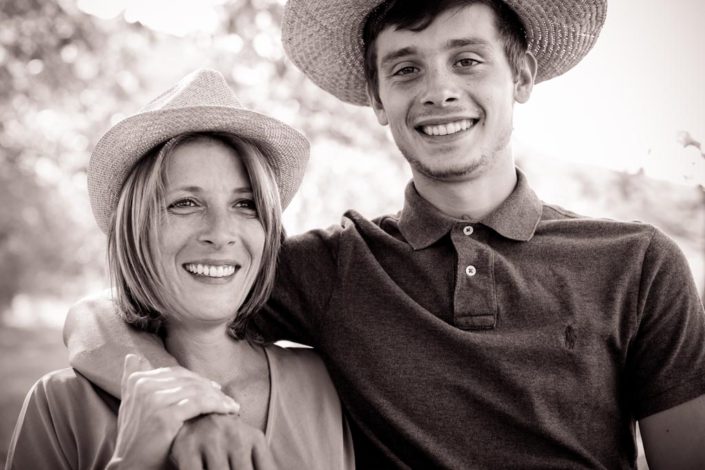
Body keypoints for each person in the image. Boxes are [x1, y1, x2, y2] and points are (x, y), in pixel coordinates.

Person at [64, 0, 705, 468]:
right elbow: (103, 317)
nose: (439, 91)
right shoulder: (334, 268)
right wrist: (194, 407)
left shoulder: (638, 263)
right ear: (376, 98)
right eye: (405, 70)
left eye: (468, 60)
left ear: (524, 78)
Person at [6, 69, 354, 470]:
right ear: (136, 231)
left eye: (245, 205)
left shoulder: (322, 383)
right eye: (185, 203)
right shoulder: (59, 404)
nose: (220, 234)